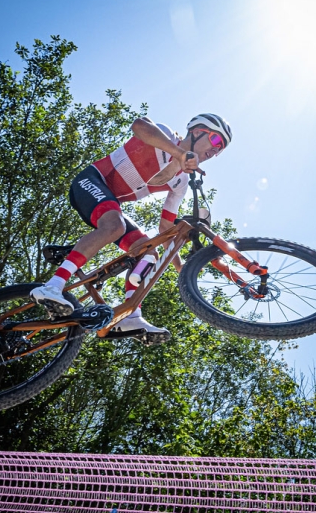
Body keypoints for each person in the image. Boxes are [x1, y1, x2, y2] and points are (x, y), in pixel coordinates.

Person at [31, 113, 232, 344]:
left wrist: (179, 266)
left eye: (221, 149)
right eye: (216, 141)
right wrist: (179, 154)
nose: (216, 151)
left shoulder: (181, 182)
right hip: (91, 181)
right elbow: (138, 126)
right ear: (197, 132)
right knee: (115, 225)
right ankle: (53, 285)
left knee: (149, 251)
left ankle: (130, 316)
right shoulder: (165, 135)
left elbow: (166, 227)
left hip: (109, 205)